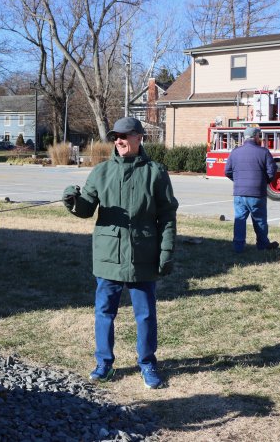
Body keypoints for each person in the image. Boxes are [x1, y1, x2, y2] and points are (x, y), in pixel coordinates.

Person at [62, 117, 177, 389]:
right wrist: (72, 201)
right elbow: (86, 208)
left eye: (125, 135)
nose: (119, 141)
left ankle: (147, 363)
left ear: (140, 137)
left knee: (146, 314)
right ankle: (104, 364)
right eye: (116, 136)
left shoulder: (155, 172)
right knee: (104, 311)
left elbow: (167, 216)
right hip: (109, 255)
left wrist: (167, 251)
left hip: (143, 254)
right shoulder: (101, 172)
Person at [224, 126, 278, 252]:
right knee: (259, 220)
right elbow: (272, 171)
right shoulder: (264, 152)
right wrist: (264, 181)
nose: (260, 138)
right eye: (259, 136)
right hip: (257, 193)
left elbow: (227, 171)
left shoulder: (235, 152)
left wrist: (237, 181)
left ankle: (238, 247)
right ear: (256, 137)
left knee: (240, 220)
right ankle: (263, 245)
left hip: (239, 193)